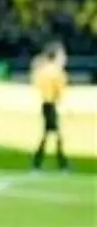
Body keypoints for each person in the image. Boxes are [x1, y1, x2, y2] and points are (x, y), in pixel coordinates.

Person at [31, 42, 69, 171]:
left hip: (46, 104)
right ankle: (61, 162)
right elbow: (60, 90)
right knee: (55, 134)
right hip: (51, 104)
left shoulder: (43, 70)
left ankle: (39, 161)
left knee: (49, 134)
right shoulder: (56, 72)